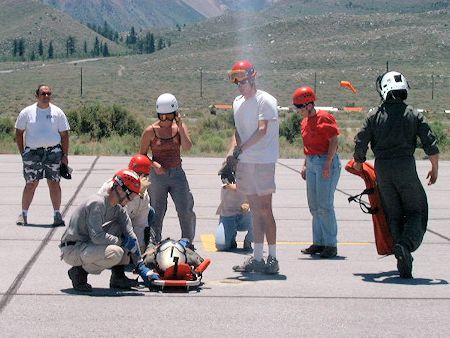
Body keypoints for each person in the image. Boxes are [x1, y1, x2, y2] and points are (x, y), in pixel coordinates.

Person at [353, 71, 439, 278]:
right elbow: (430, 141)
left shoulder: (374, 115)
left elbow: (361, 140)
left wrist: (358, 163)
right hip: (406, 168)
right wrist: (434, 167)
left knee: (393, 214)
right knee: (417, 212)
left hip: (383, 170)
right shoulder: (413, 114)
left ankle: (401, 256)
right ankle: (405, 245)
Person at [60, 169, 159, 292]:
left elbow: (130, 235)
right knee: (115, 253)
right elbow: (97, 236)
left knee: (122, 238)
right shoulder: (97, 203)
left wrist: (140, 265)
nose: (131, 200)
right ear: (119, 189)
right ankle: (79, 272)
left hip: (88, 245)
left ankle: (118, 278)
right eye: (130, 196)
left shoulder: (119, 208)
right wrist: (121, 242)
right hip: (73, 248)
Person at [225, 60, 280, 274]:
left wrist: (241, 150)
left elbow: (262, 130)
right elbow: (238, 131)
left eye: (242, 81)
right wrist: (234, 154)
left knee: (266, 209)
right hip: (246, 162)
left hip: (263, 161)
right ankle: (258, 258)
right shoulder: (237, 102)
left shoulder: (265, 100)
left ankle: (273, 258)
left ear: (252, 78)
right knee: (255, 211)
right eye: (236, 81)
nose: (239, 85)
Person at [139, 93, 196, 244]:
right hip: (157, 176)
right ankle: (153, 242)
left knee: (185, 208)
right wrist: (154, 165)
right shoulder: (150, 131)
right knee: (156, 210)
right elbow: (142, 156)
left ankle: (187, 241)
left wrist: (181, 126)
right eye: (162, 117)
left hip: (177, 173)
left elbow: (187, 147)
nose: (165, 121)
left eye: (169, 117)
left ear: (175, 114)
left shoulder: (179, 128)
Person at [293, 86, 341, 259]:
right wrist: (305, 164)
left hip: (325, 161)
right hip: (312, 162)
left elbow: (333, 142)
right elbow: (308, 146)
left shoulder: (325, 117)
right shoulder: (304, 122)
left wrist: (328, 164)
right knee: (314, 206)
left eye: (299, 107)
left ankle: (330, 244)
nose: (297, 111)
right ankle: (318, 242)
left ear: (309, 104)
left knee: (325, 205)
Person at [15, 84, 70, 226]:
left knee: (54, 183)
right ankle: (23, 214)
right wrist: (23, 153)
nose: (46, 96)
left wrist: (65, 155)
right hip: (33, 153)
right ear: (37, 96)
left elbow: (64, 135)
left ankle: (57, 214)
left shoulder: (58, 112)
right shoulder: (27, 112)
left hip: (53, 153)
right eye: (43, 94)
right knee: (31, 183)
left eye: (48, 94)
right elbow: (19, 132)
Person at [98, 154, 156, 253]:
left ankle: (141, 248)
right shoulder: (114, 187)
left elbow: (140, 224)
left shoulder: (143, 195)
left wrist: (139, 251)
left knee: (150, 212)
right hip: (107, 225)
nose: (142, 178)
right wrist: (134, 195)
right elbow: (119, 213)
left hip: (127, 223)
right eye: (139, 174)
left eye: (145, 176)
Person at [215, 181, 253, 251]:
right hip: (228, 216)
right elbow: (232, 187)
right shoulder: (227, 172)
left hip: (245, 215)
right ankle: (231, 236)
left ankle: (248, 240)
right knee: (221, 246)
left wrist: (248, 203)